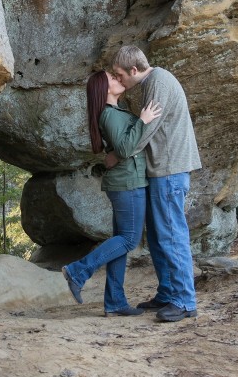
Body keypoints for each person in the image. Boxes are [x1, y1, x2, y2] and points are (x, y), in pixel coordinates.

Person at [110, 45, 200, 324]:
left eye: (120, 74)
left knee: (172, 235)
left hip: (169, 170)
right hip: (162, 170)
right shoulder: (153, 82)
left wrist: (122, 150)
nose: (119, 80)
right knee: (160, 237)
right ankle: (168, 292)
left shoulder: (158, 82)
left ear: (134, 70)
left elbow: (146, 129)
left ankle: (184, 301)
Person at [61, 70, 161, 317]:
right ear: (103, 89)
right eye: (112, 79)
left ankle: (115, 302)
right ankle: (78, 271)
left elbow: (120, 149)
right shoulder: (109, 114)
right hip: (127, 184)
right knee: (128, 239)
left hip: (126, 182)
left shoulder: (114, 112)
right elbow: (126, 149)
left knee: (122, 242)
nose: (118, 80)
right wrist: (143, 120)